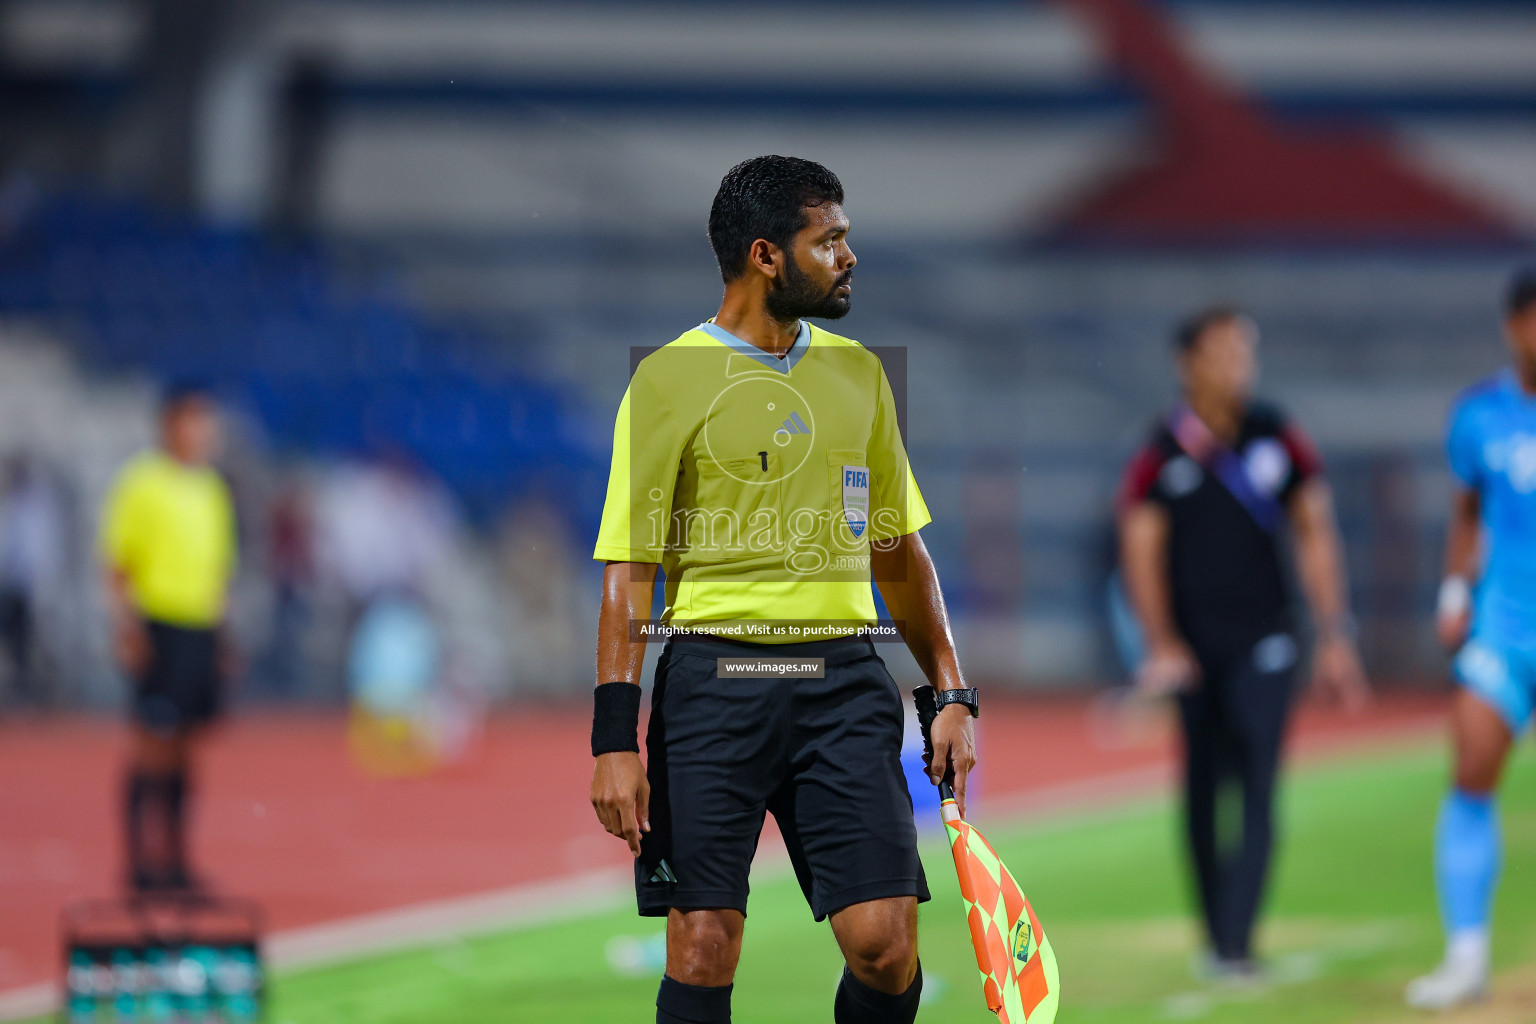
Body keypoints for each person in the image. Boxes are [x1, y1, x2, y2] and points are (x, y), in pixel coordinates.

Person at [588, 155, 977, 1024]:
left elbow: (897, 549)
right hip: (710, 687)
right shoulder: (665, 380)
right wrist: (613, 736)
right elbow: (631, 569)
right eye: (828, 240)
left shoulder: (860, 374)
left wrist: (951, 689)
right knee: (702, 946)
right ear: (767, 256)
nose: (848, 256)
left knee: (885, 947)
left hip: (842, 682)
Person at [1117, 307, 1369, 978]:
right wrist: (1162, 641)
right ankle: (1214, 935)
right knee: (1202, 783)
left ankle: (1238, 942)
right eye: (1225, 352)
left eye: (1246, 352)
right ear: (1188, 363)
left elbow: (1316, 530)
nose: (1240, 366)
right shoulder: (1161, 451)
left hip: (1269, 637)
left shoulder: (1278, 435)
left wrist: (1335, 633)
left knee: (1258, 777)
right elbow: (1140, 549)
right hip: (1194, 651)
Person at [1406, 269, 1536, 1009]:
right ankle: (1466, 956)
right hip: (1506, 627)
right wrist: (1455, 592)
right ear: (1516, 326)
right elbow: (1466, 511)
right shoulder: (1480, 415)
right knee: (1472, 767)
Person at [100, 384, 237, 893]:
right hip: (159, 623)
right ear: (169, 424)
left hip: (199, 626)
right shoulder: (141, 484)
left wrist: (222, 636)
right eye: (195, 421)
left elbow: (218, 571)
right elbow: (119, 564)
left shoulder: (210, 489)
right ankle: (139, 862)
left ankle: (177, 860)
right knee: (150, 743)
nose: (204, 432)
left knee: (185, 745)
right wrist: (127, 627)